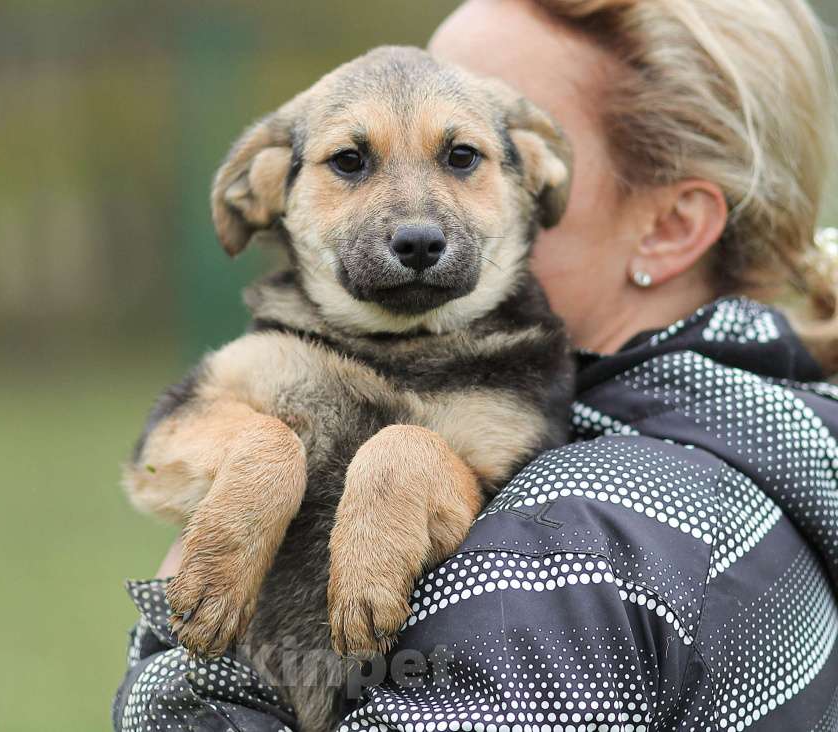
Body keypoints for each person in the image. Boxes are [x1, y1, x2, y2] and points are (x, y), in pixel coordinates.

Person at [113, 1, 838, 729]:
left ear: (671, 226)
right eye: (352, 162)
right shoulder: (768, 437)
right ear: (271, 186)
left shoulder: (580, 550)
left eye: (463, 156)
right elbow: (164, 450)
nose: (417, 219)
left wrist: (177, 679)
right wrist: (254, 469)